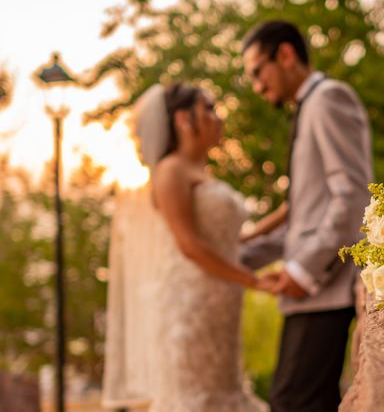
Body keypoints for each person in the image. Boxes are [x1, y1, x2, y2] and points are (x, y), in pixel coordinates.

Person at [102, 82, 270, 412]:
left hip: (220, 304)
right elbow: (189, 244)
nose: (217, 117)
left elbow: (230, 240)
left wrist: (285, 214)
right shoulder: (170, 171)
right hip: (188, 304)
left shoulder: (203, 174)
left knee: (223, 387)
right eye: (208, 108)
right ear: (182, 118)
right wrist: (255, 281)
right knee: (194, 395)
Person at [240, 21, 373, 411]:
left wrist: (302, 271)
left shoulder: (329, 98)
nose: (257, 86)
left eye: (256, 72)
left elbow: (351, 199)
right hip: (312, 294)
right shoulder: (309, 106)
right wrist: (230, 257)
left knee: (292, 401)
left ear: (284, 54)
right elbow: (304, 220)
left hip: (324, 289)